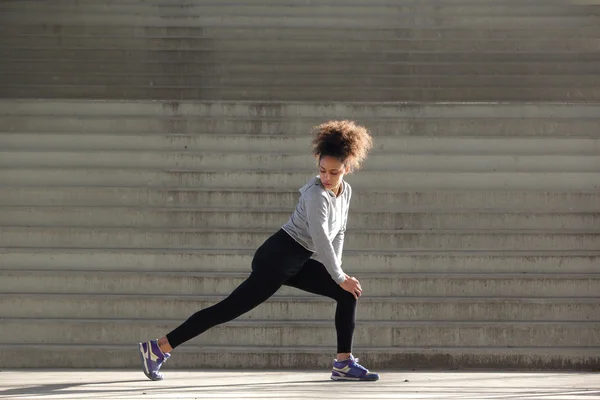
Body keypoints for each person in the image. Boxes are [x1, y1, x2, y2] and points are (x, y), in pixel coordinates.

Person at [138, 120, 379, 381]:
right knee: (226, 310)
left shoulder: (345, 192)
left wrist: (339, 274)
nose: (326, 177)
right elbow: (321, 237)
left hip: (297, 259)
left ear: (347, 168)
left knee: (348, 295)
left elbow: (339, 231)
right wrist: (339, 277)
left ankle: (343, 363)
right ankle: (158, 348)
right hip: (276, 258)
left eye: (334, 172)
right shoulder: (316, 195)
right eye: (322, 170)